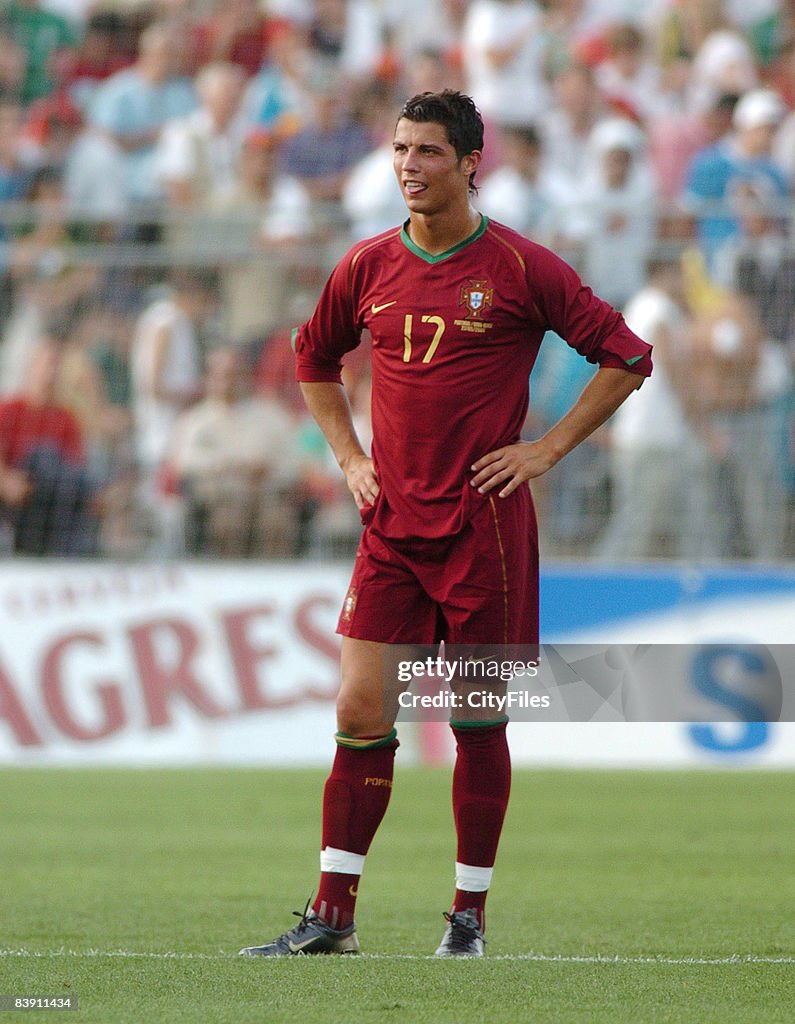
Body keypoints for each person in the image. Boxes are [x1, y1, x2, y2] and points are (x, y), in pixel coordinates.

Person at [239, 89, 652, 959]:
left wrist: (544, 449)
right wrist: (350, 459)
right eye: (399, 150)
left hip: (485, 528)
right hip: (391, 524)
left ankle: (467, 915)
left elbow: (627, 356)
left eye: (427, 152)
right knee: (359, 704)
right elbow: (312, 355)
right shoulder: (365, 265)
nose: (408, 167)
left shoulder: (520, 266)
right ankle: (333, 916)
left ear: (470, 163)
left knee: (474, 717)